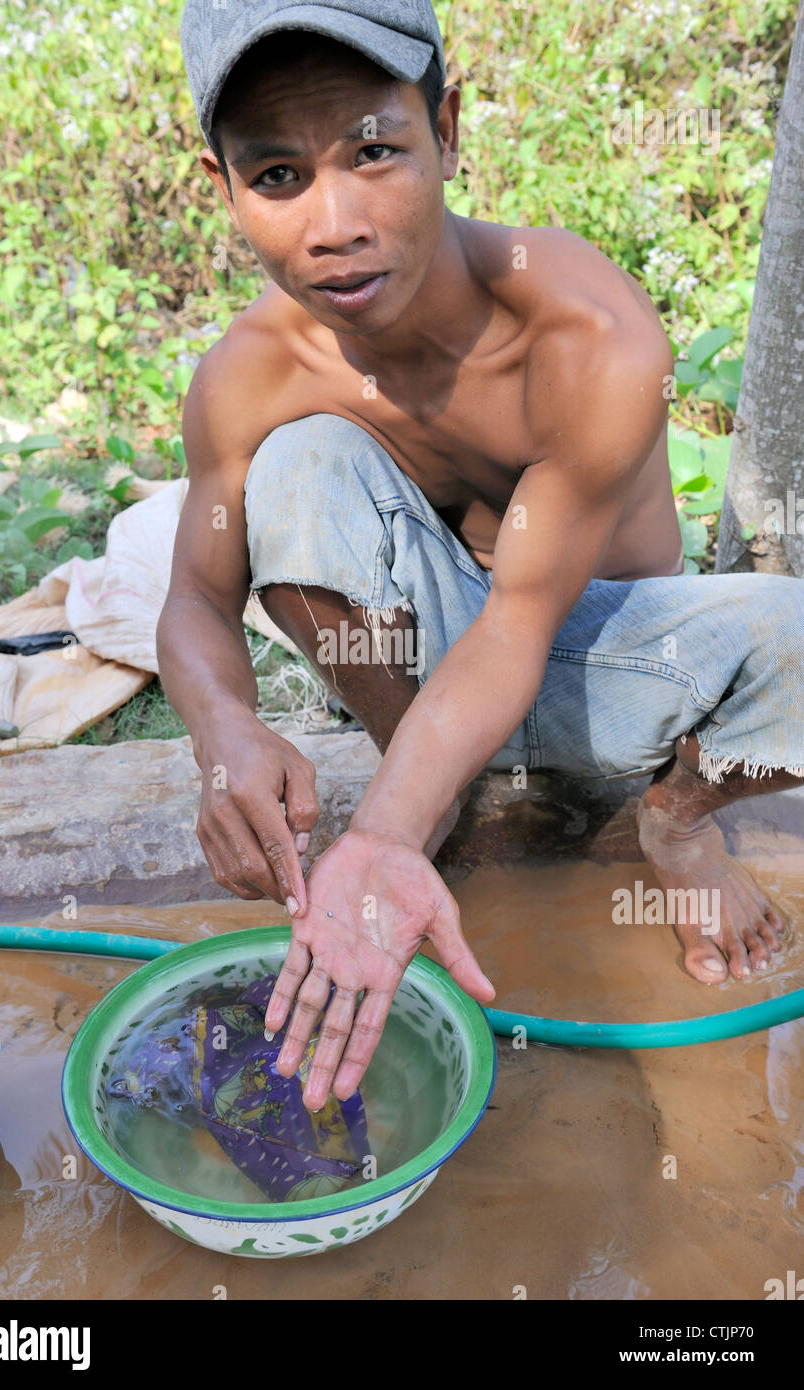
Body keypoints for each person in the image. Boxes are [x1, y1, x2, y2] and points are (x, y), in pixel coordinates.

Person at [159, 0, 804, 1110]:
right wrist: (224, 730)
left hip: (607, 675)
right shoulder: (248, 376)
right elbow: (191, 602)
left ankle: (675, 821)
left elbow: (518, 625)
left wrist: (375, 831)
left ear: (447, 130)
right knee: (299, 466)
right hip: (429, 686)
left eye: (373, 152)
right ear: (220, 187)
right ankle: (433, 793)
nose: (334, 223)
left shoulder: (583, 332)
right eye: (277, 177)